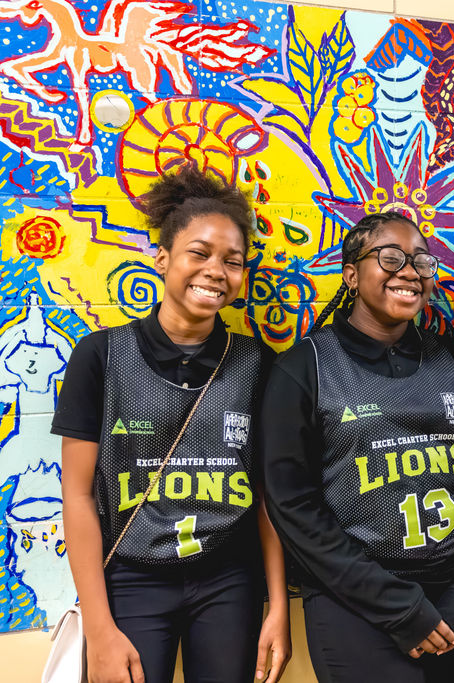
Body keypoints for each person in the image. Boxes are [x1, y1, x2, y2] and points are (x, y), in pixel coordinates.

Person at [54, 167, 291, 683]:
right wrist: (99, 630)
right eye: (199, 253)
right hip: (133, 579)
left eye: (233, 262)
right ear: (161, 258)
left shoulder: (256, 363)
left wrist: (278, 606)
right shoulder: (101, 356)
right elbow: (77, 496)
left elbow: (270, 498)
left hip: (230, 581)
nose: (216, 271)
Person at [260, 211, 454, 683]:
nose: (410, 272)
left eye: (421, 261)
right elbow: (292, 505)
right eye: (391, 258)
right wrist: (399, 607)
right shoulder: (304, 367)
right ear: (352, 275)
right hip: (355, 607)